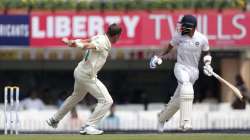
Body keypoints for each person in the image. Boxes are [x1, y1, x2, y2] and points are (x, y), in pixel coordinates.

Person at [46, 23, 122, 135]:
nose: (119, 38)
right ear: (116, 36)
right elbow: (88, 45)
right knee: (107, 100)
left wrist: (73, 42)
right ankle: (89, 126)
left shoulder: (100, 37)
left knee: (76, 97)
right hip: (87, 76)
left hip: (80, 72)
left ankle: (54, 119)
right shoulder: (102, 42)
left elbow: (86, 40)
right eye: (119, 36)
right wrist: (78, 44)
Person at [149, 15, 213, 132]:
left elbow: (207, 53)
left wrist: (208, 64)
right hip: (181, 67)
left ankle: (162, 118)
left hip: (194, 71)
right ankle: (185, 122)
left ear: (192, 28)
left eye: (184, 26)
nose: (182, 28)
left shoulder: (202, 38)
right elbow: (169, 47)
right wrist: (158, 56)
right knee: (187, 87)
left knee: (178, 101)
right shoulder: (179, 36)